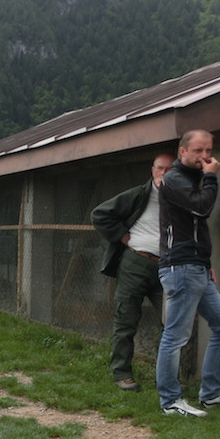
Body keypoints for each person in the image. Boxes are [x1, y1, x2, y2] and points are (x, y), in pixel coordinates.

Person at [154, 129, 220, 416]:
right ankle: (170, 401)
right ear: (183, 151)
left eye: (208, 151)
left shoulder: (192, 178)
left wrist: (204, 263)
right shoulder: (174, 179)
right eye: (198, 151)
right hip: (181, 266)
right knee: (175, 336)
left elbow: (195, 227)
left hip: (196, 266)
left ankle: (211, 394)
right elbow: (202, 209)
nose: (205, 157)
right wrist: (212, 177)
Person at [91, 154, 175, 391]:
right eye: (160, 168)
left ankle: (166, 377)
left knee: (172, 321)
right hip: (135, 263)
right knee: (126, 319)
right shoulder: (138, 194)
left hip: (167, 267)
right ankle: (122, 373)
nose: (164, 174)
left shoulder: (181, 199)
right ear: (152, 170)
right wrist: (123, 237)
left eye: (170, 170)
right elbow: (99, 214)